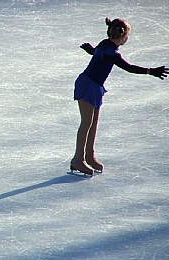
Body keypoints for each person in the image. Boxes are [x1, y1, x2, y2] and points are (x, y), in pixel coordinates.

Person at [71, 17, 169, 176]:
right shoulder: (112, 53)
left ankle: (89, 155)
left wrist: (90, 50)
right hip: (88, 85)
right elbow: (129, 68)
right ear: (123, 36)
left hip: (95, 86)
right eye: (128, 35)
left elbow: (97, 52)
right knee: (86, 123)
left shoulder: (105, 44)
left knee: (93, 123)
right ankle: (78, 159)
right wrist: (151, 71)